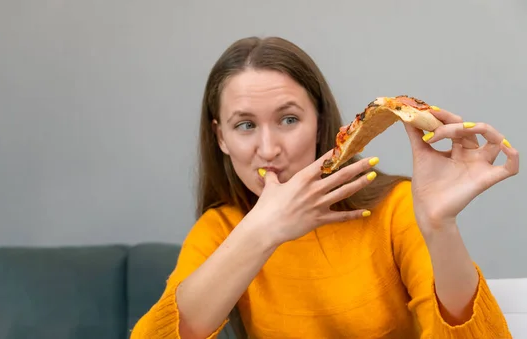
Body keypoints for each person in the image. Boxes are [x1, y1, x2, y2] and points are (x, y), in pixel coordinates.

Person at [130, 36, 520, 338]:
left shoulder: (395, 211)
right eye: (245, 125)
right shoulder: (221, 230)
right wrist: (262, 231)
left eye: (288, 119)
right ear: (221, 138)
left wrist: (439, 226)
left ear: (319, 122)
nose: (268, 150)